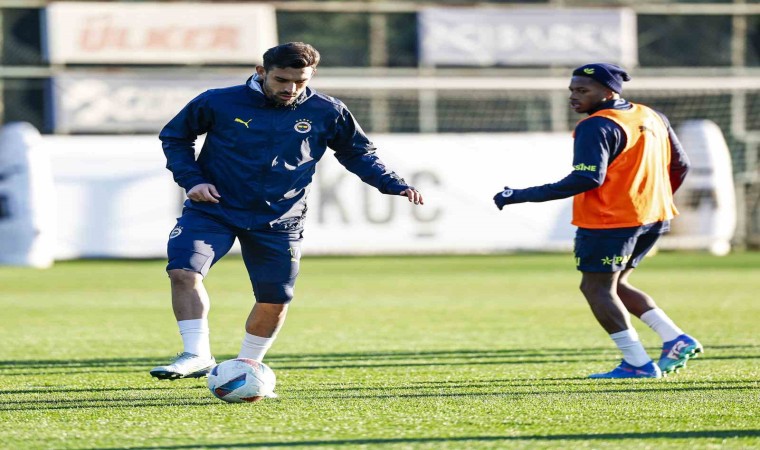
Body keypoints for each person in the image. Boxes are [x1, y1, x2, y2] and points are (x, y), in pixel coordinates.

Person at [150, 42, 424, 382]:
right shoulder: (217, 101)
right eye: (282, 80)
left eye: (300, 81)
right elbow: (175, 137)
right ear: (261, 72)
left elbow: (358, 153)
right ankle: (196, 354)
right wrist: (192, 179)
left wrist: (392, 183)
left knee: (274, 299)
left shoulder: (328, 111)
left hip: (280, 218)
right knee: (183, 271)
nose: (291, 89)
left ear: (312, 75)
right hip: (214, 209)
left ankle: (247, 368)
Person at [492, 63, 702, 379]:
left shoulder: (597, 126)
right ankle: (675, 338)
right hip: (654, 217)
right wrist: (653, 197)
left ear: (608, 92)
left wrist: (520, 195)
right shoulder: (651, 115)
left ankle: (637, 363)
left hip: (611, 222)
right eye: (572, 90)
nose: (573, 97)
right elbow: (681, 165)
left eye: (582, 90)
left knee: (595, 288)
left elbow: (587, 179)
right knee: (616, 285)